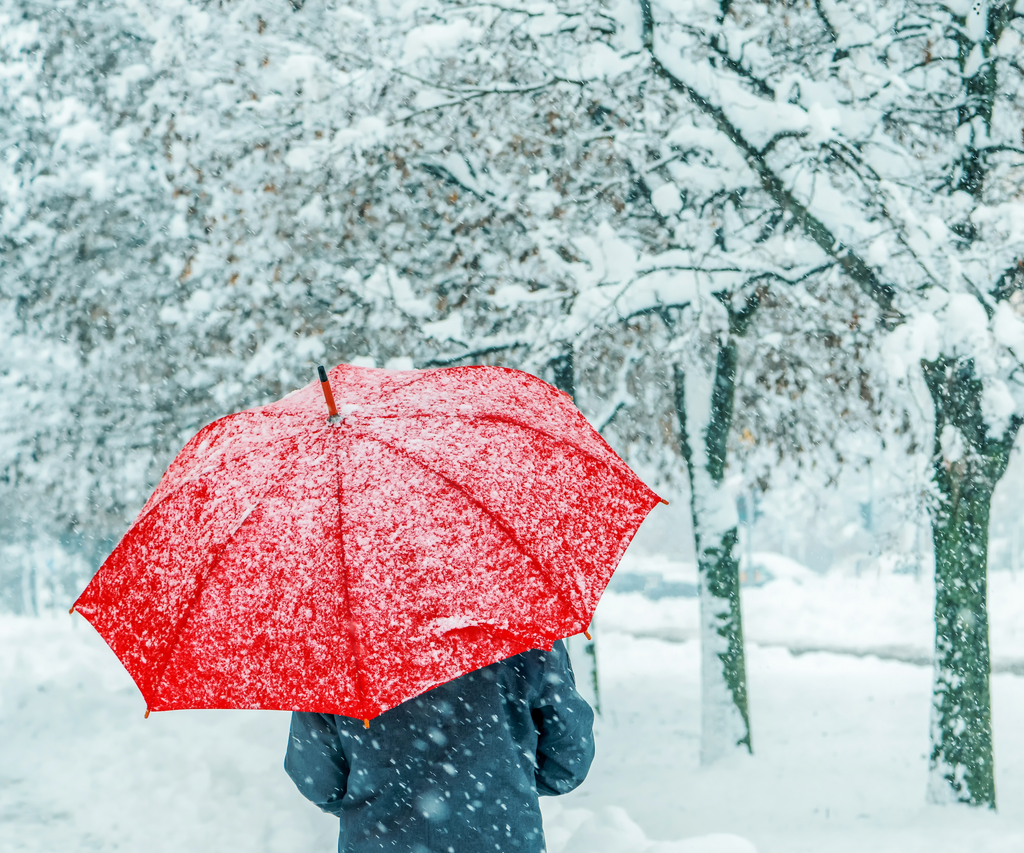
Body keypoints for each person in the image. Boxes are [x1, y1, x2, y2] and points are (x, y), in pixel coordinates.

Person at [285, 640, 595, 853]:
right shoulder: (524, 628)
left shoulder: (333, 648)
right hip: (502, 838)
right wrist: (503, 786)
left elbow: (319, 779)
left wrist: (383, 805)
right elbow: (568, 759)